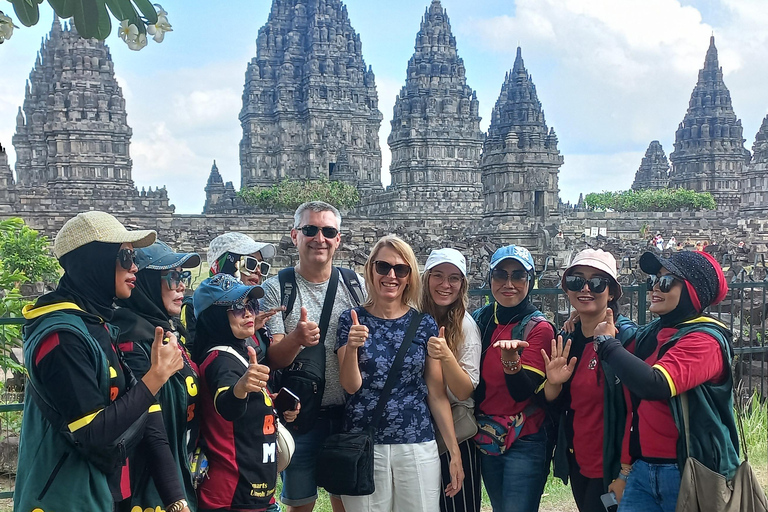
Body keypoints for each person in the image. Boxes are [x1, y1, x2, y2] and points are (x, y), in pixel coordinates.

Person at [14, 211, 190, 512]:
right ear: (94, 260)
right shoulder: (60, 337)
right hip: (64, 498)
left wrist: (176, 499)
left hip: (106, 494)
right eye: (124, 257)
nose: (134, 266)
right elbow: (92, 434)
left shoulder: (97, 324)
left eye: (133, 257)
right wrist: (156, 376)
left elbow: (147, 416)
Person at [592, 250, 738, 512]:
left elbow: (655, 385)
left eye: (667, 282)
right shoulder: (651, 334)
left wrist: (607, 344)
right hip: (642, 469)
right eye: (653, 281)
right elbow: (632, 398)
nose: (655, 288)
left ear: (693, 291)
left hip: (687, 470)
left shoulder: (705, 341)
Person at [336, 235, 463, 511]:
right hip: (365, 442)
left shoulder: (423, 323)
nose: (391, 276)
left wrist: (454, 453)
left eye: (400, 269)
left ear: (409, 277)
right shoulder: (351, 319)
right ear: (371, 270)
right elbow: (350, 385)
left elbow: (436, 392)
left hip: (416, 440)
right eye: (383, 267)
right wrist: (352, 347)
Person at [260, 201, 365, 512]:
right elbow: (275, 357)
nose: (320, 238)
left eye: (328, 231)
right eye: (310, 230)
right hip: (301, 418)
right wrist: (296, 339)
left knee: (346, 502)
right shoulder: (278, 288)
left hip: (348, 413)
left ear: (338, 239)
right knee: (299, 503)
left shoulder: (354, 285)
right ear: (295, 236)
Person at [543, 249, 638, 512]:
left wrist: (625, 472)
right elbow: (559, 403)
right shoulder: (569, 339)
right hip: (579, 460)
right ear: (567, 290)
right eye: (576, 281)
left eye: (597, 282)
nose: (585, 289)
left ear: (612, 292)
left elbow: (636, 410)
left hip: (612, 463)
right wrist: (553, 383)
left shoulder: (626, 339)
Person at [112, 240, 202, 511]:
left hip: (179, 472)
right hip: (150, 490)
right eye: (172, 277)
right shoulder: (133, 340)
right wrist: (175, 497)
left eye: (182, 276)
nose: (181, 285)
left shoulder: (165, 332)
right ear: (145, 282)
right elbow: (148, 426)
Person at [471, 244, 555, 512]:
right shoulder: (481, 320)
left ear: (531, 281)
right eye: (501, 275)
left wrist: (511, 364)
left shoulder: (538, 328)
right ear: (490, 279)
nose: (509, 283)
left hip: (524, 437)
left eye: (519, 275)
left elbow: (524, 392)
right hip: (487, 434)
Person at [191, 273, 279, 512]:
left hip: (252, 494)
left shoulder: (238, 353)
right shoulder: (220, 359)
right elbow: (227, 404)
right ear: (214, 317)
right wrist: (241, 388)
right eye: (237, 307)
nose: (249, 312)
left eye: (250, 304)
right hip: (231, 497)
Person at [419, 248, 482, 512]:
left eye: (454, 278)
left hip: (456, 428)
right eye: (438, 276)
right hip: (418, 427)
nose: (445, 285)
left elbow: (465, 389)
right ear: (426, 278)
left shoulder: (465, 325)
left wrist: (446, 356)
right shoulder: (412, 315)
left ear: (462, 285)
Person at [182, 232, 277, 349]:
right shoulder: (197, 307)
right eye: (250, 263)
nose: (258, 271)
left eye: (262, 266)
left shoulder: (254, 306)